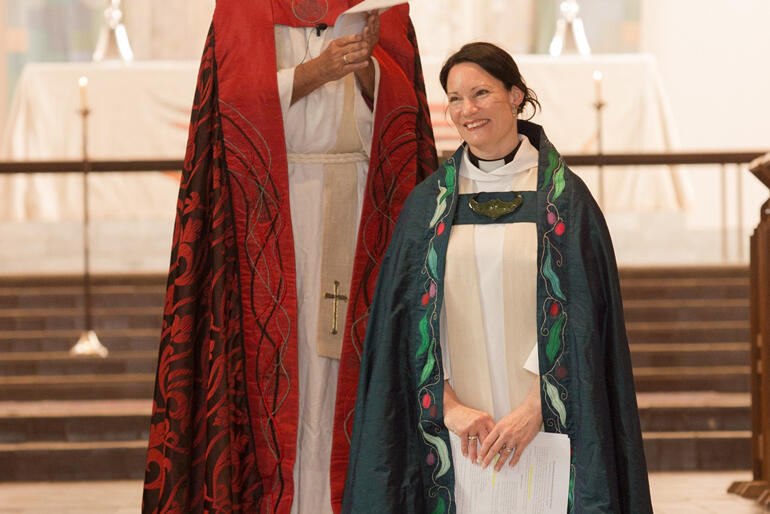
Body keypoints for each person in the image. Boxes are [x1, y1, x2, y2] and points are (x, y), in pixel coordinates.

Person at [142, 1, 437, 513]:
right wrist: (317, 71)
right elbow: (230, 110)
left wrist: (367, 67)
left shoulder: (380, 11)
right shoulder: (241, 11)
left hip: (360, 201)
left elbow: (404, 117)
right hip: (269, 206)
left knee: (345, 361)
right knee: (286, 365)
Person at [343, 42, 652, 513]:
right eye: (454, 98)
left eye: (481, 93)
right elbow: (402, 328)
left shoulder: (567, 202)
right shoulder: (427, 207)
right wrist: (448, 408)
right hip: (458, 432)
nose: (467, 110)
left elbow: (588, 322)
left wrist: (538, 405)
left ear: (515, 95)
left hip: (545, 423)